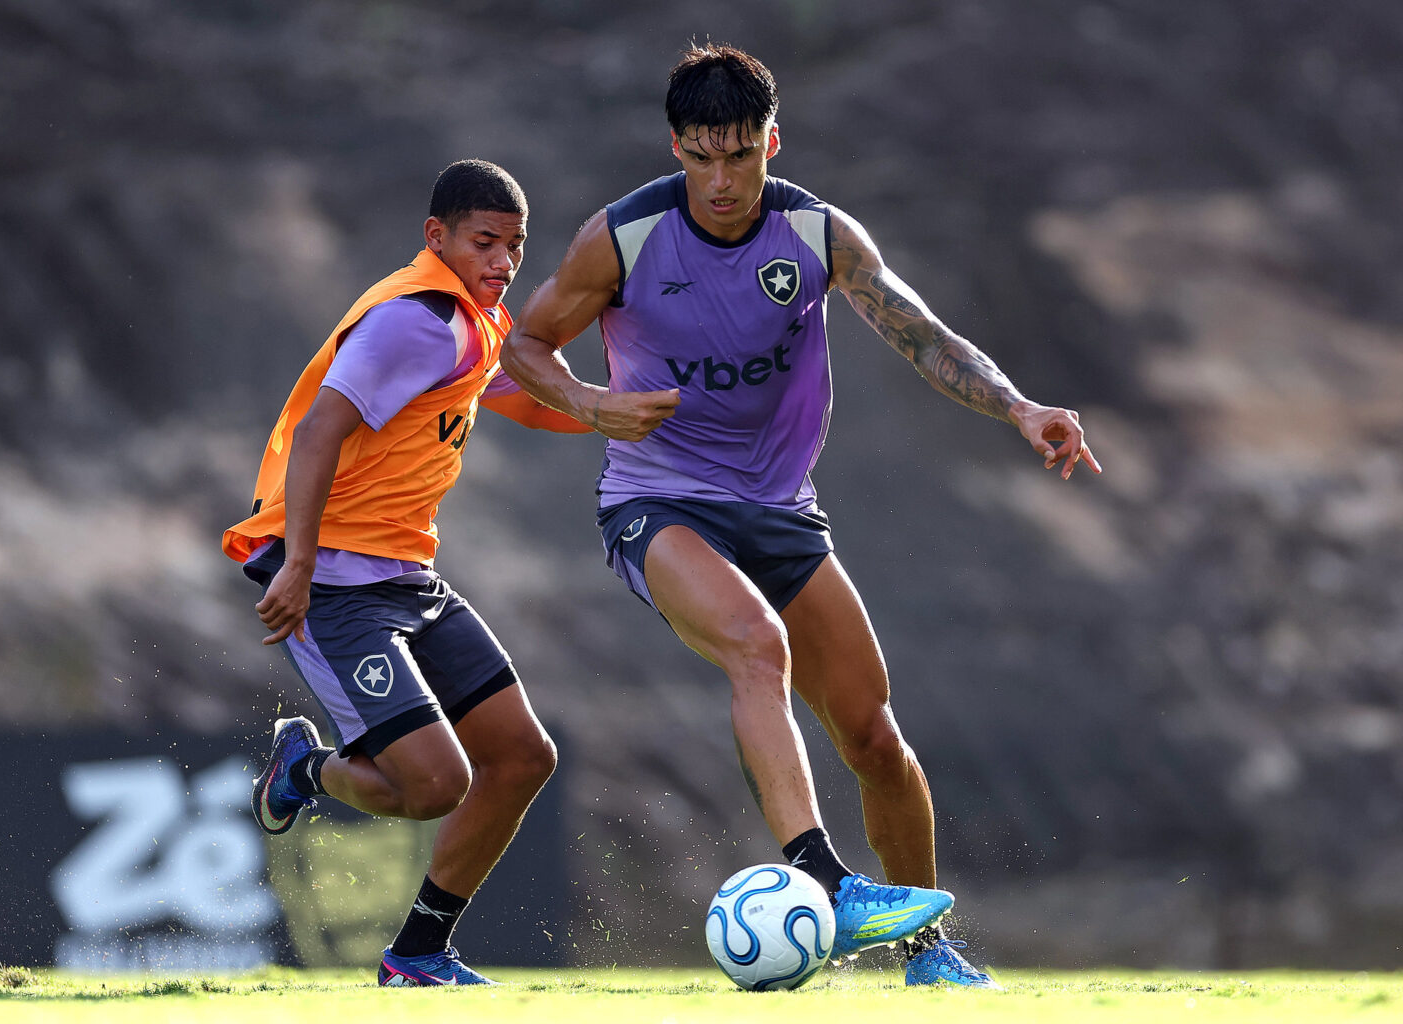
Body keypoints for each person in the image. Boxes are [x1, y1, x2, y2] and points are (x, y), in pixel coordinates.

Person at [501, 44, 1102, 988]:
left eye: (740, 155)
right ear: (676, 148)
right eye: (702, 157)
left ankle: (927, 954)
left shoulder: (818, 236)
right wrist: (591, 405)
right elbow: (524, 346)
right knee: (756, 642)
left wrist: (1020, 406)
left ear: (771, 143)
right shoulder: (622, 240)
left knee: (874, 738)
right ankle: (825, 877)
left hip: (780, 510)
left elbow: (924, 335)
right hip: (656, 501)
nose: (722, 180)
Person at [223, 159, 590, 987]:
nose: (502, 261)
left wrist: (610, 414)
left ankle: (418, 954)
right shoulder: (414, 318)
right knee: (432, 786)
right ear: (438, 237)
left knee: (525, 756)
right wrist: (303, 568)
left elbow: (515, 398)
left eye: (515, 247)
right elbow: (320, 433)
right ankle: (305, 769)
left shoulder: (475, 319)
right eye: (484, 241)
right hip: (338, 587)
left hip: (408, 576)